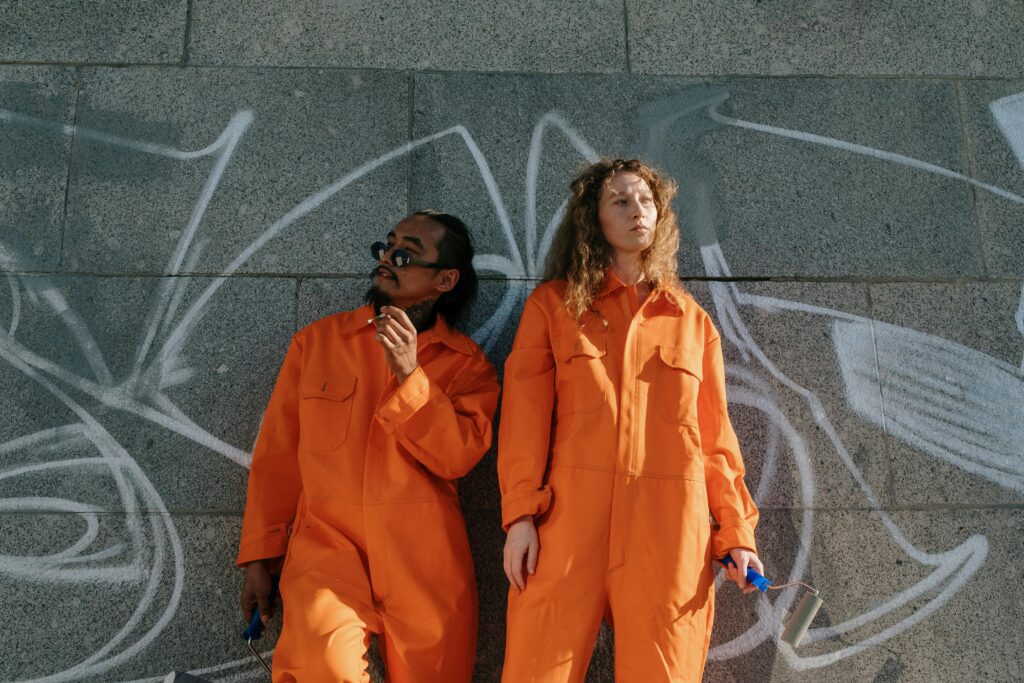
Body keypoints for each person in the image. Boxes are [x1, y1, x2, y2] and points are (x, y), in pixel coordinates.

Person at [498, 159, 763, 681]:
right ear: (592, 220)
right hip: (569, 524)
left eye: (646, 200)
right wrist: (520, 516)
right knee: (537, 669)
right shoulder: (554, 306)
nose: (637, 210)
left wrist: (736, 532)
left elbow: (714, 438)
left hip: (669, 529)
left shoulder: (691, 321)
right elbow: (524, 418)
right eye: (620, 201)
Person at [238, 210, 499, 682]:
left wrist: (410, 375)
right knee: (320, 667)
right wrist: (261, 557)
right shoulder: (318, 343)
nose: (388, 259)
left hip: (426, 563)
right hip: (327, 551)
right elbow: (277, 457)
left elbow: (458, 456)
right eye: (387, 246)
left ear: (445, 279)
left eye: (406, 253)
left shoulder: (468, 366)